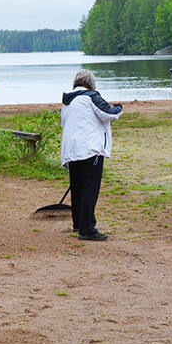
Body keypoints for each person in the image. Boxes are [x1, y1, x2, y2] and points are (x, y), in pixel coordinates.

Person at [61, 69, 122, 241]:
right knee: (89, 189)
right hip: (90, 149)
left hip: (71, 150)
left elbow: (65, 125)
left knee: (78, 188)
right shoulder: (90, 96)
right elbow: (108, 113)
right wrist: (118, 107)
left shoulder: (67, 102)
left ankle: (79, 223)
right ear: (90, 83)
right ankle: (87, 229)